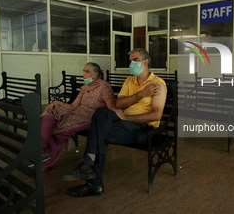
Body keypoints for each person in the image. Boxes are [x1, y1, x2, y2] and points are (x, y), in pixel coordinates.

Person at [60, 48, 166, 197]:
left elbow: (156, 115)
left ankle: (92, 177)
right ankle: (89, 169)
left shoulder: (157, 84)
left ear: (145, 62)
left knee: (98, 131)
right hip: (123, 123)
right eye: (130, 61)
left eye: (135, 60)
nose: (131, 64)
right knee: (101, 113)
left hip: (143, 129)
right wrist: (140, 94)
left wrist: (128, 118)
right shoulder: (129, 80)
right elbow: (118, 104)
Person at [40, 62, 115, 169]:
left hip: (89, 117)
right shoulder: (85, 88)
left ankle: (44, 159)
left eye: (87, 71)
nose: (83, 74)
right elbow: (73, 106)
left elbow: (111, 109)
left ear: (96, 74)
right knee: (51, 110)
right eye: (83, 71)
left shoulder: (104, 88)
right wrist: (59, 103)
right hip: (77, 111)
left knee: (62, 126)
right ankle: (43, 147)